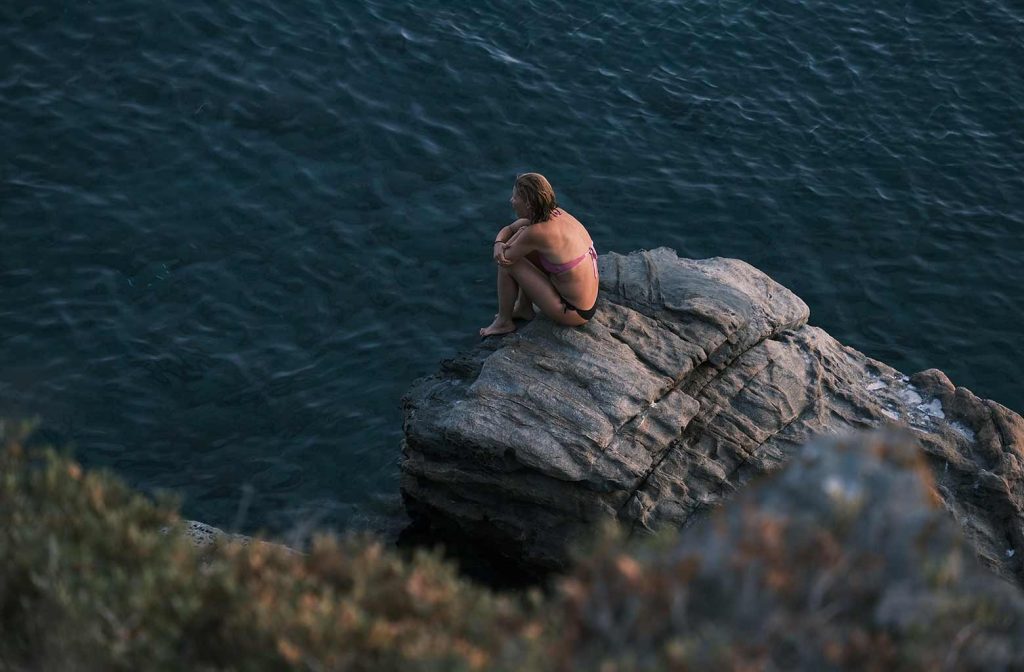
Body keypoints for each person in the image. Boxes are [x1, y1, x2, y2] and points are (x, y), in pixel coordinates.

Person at [479, 173, 599, 337]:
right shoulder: (556, 213)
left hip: (573, 311)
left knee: (508, 263)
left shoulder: (537, 233)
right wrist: (498, 243)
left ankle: (503, 322)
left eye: (515, 197)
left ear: (528, 204)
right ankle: (523, 308)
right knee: (521, 240)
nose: (511, 201)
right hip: (587, 302)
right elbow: (509, 229)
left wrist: (501, 247)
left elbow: (504, 257)